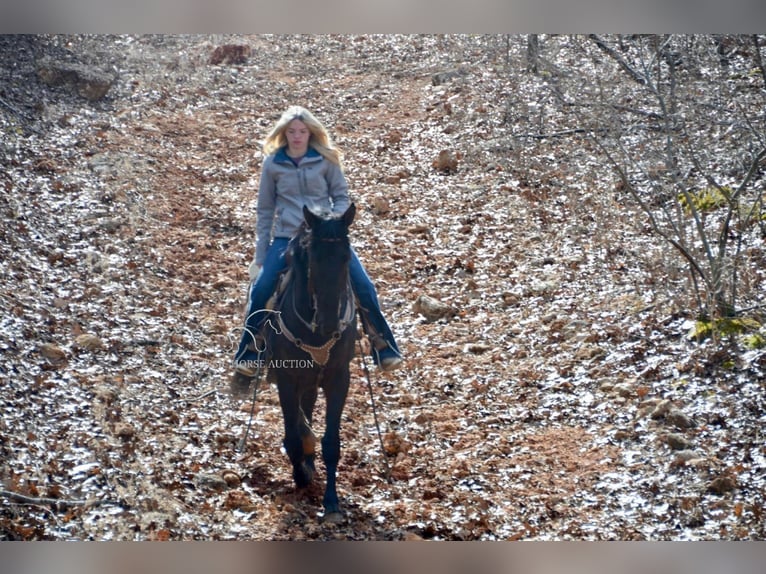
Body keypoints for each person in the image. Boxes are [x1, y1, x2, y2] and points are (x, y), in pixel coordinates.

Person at [233, 105, 403, 376]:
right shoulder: (273, 164)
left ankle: (384, 347)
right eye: (292, 132)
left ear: (310, 132)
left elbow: (342, 196)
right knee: (263, 289)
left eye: (302, 131)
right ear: (284, 133)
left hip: (326, 238)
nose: (297, 136)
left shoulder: (326, 159)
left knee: (364, 286)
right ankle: (249, 352)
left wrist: (331, 224)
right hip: (287, 237)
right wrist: (260, 255)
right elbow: (265, 210)